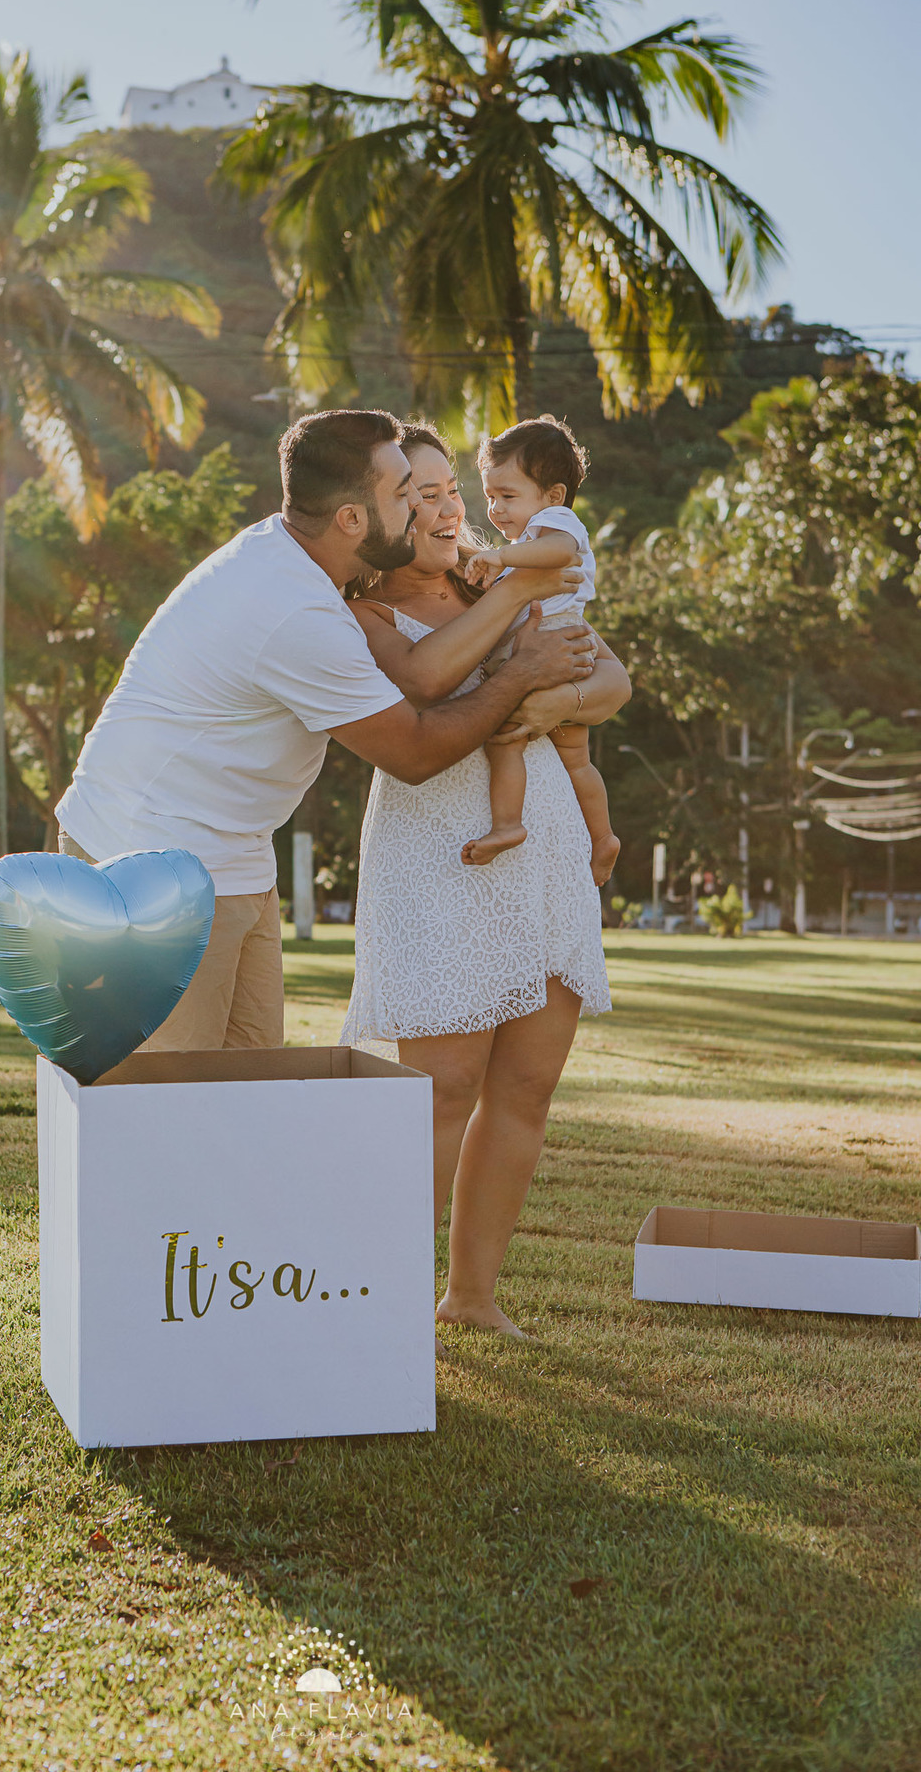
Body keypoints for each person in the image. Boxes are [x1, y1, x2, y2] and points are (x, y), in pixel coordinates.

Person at [54, 408, 599, 1055]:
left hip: (235, 860)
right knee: (158, 1101)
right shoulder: (299, 613)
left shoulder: (295, 565)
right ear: (351, 520)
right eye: (404, 496)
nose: (422, 511)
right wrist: (517, 678)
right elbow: (414, 750)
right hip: (148, 857)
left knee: (242, 1091)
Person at [341, 422, 630, 1338]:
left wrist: (549, 692)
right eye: (417, 494)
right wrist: (526, 658)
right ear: (380, 514)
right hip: (439, 843)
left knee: (529, 1083)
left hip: (541, 834)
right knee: (442, 1085)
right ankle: (381, 1304)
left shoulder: (504, 578)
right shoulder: (365, 613)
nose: (443, 507)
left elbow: (611, 678)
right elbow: (426, 693)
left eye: (447, 490)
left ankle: (470, 1299)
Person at [462, 418, 620, 884]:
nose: (494, 509)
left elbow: (559, 554)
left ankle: (508, 824)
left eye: (507, 497)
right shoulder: (525, 544)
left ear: (553, 495)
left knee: (503, 738)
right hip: (564, 651)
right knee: (577, 761)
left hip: (552, 648)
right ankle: (604, 836)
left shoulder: (555, 525)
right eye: (490, 496)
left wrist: (500, 558)